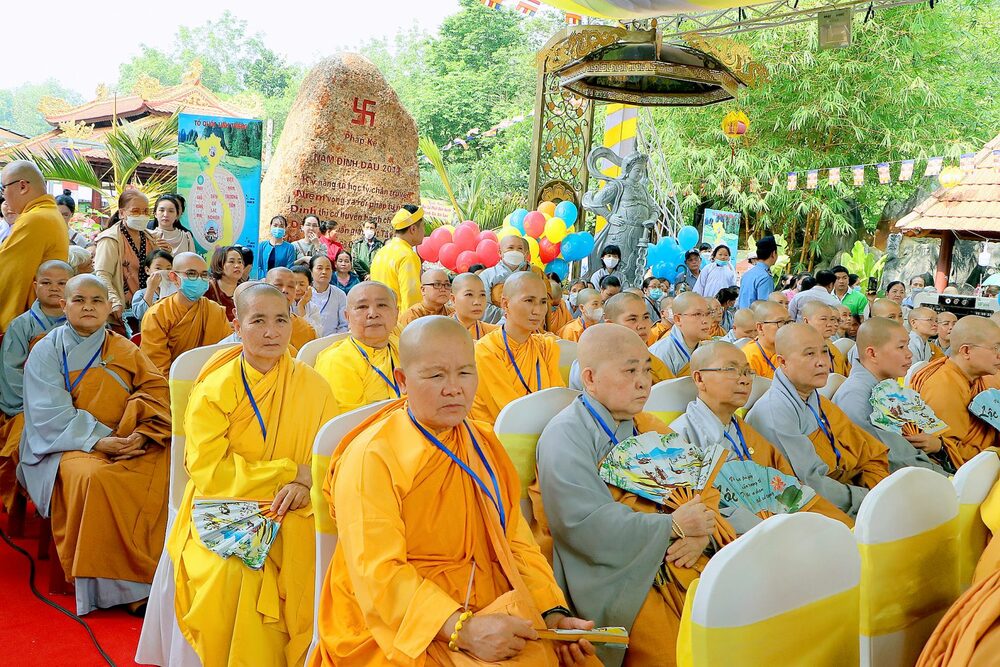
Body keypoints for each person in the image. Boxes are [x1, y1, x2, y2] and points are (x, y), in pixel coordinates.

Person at [313, 316, 597, 666]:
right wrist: (462, 629)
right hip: (400, 620)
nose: (454, 388)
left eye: (465, 373)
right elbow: (377, 573)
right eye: (435, 376)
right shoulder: (373, 456)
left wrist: (551, 612)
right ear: (402, 381)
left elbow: (515, 539)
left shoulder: (482, 442)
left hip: (486, 595)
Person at [538, 324, 730, 667]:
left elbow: (702, 485)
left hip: (683, 555)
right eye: (630, 370)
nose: (644, 380)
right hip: (618, 572)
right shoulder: (565, 435)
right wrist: (671, 526)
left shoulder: (648, 424)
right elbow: (583, 524)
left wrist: (702, 531)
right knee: (681, 653)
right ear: (591, 379)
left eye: (646, 368)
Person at [167, 283, 338, 665]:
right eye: (258, 320)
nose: (271, 331)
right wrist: (291, 472)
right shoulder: (216, 388)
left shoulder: (313, 385)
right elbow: (209, 471)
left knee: (315, 559)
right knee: (235, 574)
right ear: (237, 324)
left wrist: (306, 482)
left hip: (297, 506)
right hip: (223, 504)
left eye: (281, 320)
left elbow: (329, 456)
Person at [19, 274, 171, 615]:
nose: (88, 306)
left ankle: (155, 575)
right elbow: (48, 411)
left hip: (128, 438)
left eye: (97, 300)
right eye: (79, 300)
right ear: (63, 305)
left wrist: (141, 434)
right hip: (65, 445)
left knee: (168, 464)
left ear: (108, 308)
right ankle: (119, 589)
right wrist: (101, 441)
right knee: (96, 479)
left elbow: (157, 390)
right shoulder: (47, 349)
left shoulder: (124, 346)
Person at [671, 341, 852, 533]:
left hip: (780, 527)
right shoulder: (679, 438)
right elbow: (693, 516)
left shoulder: (744, 431)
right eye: (731, 370)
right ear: (699, 379)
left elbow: (788, 486)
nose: (745, 380)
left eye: (748, 371)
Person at [746, 324, 889, 517]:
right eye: (809, 354)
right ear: (783, 362)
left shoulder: (815, 399)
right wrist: (866, 497)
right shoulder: (775, 412)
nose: (822, 362)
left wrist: (875, 484)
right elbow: (809, 483)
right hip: (812, 506)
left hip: (844, 489)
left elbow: (864, 449)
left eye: (824, 352)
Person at [833, 317, 948, 474]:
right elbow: (883, 459)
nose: (909, 354)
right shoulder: (855, 397)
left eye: (907, 345)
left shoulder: (890, 388)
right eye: (901, 347)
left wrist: (937, 446)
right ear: (872, 353)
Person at [0, 261, 72, 509]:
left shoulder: (81, 324)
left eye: (62, 283)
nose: (54, 288)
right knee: (18, 443)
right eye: (46, 282)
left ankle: (70, 505)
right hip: (28, 408)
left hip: (74, 405)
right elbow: (11, 375)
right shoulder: (21, 326)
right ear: (35, 286)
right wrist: (41, 408)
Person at [471, 272, 563, 423]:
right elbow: (509, 414)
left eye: (543, 302)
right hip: (498, 438)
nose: (538, 311)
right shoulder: (487, 351)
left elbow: (557, 401)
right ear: (505, 304)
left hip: (545, 432)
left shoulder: (546, 347)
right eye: (529, 300)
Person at [911, 316, 1000, 467]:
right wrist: (996, 452)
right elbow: (947, 451)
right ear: (966, 351)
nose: (999, 355)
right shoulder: (943, 387)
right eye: (995, 348)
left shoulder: (974, 379)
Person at [0, 160, 70, 332]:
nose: (4, 197)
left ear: (22, 186)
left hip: (32, 326)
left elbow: (8, 277)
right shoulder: (49, 214)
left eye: (4, 188)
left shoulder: (34, 219)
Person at [315, 281, 401, 415]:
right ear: (347, 317)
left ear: (396, 314)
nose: (373, 313)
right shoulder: (337, 361)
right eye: (362, 307)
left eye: (382, 305)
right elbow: (349, 425)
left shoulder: (404, 347)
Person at [140, 252, 232, 376]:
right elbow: (157, 368)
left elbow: (226, 354)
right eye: (191, 274)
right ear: (174, 277)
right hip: (170, 384)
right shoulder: (157, 315)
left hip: (210, 382)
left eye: (204, 275)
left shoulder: (214, 310)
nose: (199, 279)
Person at [94, 189, 167, 335]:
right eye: (135, 211)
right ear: (122, 213)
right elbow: (102, 275)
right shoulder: (110, 239)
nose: (142, 215)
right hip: (122, 312)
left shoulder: (152, 238)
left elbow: (160, 269)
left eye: (146, 211)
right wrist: (114, 301)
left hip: (150, 307)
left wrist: (166, 253)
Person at [568, 293, 674, 390]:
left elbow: (670, 391)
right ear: (610, 324)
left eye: (646, 317)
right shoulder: (591, 363)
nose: (642, 325)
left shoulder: (650, 360)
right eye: (632, 319)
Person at [369, 205, 425, 312]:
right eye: (423, 226)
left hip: (380, 317)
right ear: (413, 229)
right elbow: (411, 298)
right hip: (399, 322)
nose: (424, 231)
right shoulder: (408, 256)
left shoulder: (381, 252)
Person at [649, 292, 713, 376]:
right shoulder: (659, 354)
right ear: (678, 319)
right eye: (697, 314)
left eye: (708, 314)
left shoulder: (705, 349)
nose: (705, 320)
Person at [265, 267, 318, 349]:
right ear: (264, 287)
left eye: (290, 286)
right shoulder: (251, 322)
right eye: (278, 285)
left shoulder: (305, 329)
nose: (285, 290)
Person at [742, 300, 790, 379]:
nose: (786, 327)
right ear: (760, 328)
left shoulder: (790, 350)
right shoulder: (749, 357)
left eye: (788, 322)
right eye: (780, 322)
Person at [801, 302, 850, 376]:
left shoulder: (833, 349)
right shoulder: (797, 349)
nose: (830, 324)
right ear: (806, 321)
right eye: (824, 319)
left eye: (831, 319)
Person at [128, 249, 174, 326]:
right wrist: (151, 289)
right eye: (158, 268)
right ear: (147, 270)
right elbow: (141, 315)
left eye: (168, 269)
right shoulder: (141, 294)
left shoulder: (176, 292)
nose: (163, 272)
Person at [309, 255, 349, 337]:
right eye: (320, 268)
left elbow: (344, 325)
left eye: (327, 268)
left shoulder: (339, 294)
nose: (324, 272)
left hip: (332, 343)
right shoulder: (304, 293)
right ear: (311, 271)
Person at [452, 272, 499, 341]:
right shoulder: (441, 331)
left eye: (482, 295)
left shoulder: (494, 333)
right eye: (469, 294)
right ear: (453, 299)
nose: (477, 302)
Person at [737, 236, 778, 309]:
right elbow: (765, 307)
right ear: (773, 254)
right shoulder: (765, 277)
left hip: (742, 317)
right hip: (755, 318)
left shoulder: (748, 273)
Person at [206, 245, 244, 321]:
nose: (237, 265)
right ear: (219, 264)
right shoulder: (207, 289)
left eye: (240, 262)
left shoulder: (246, 290)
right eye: (231, 261)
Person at [290, 265, 324, 335]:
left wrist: (301, 307)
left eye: (301, 284)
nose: (297, 288)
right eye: (293, 284)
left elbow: (317, 334)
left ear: (310, 285)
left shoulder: (313, 307)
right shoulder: (282, 305)